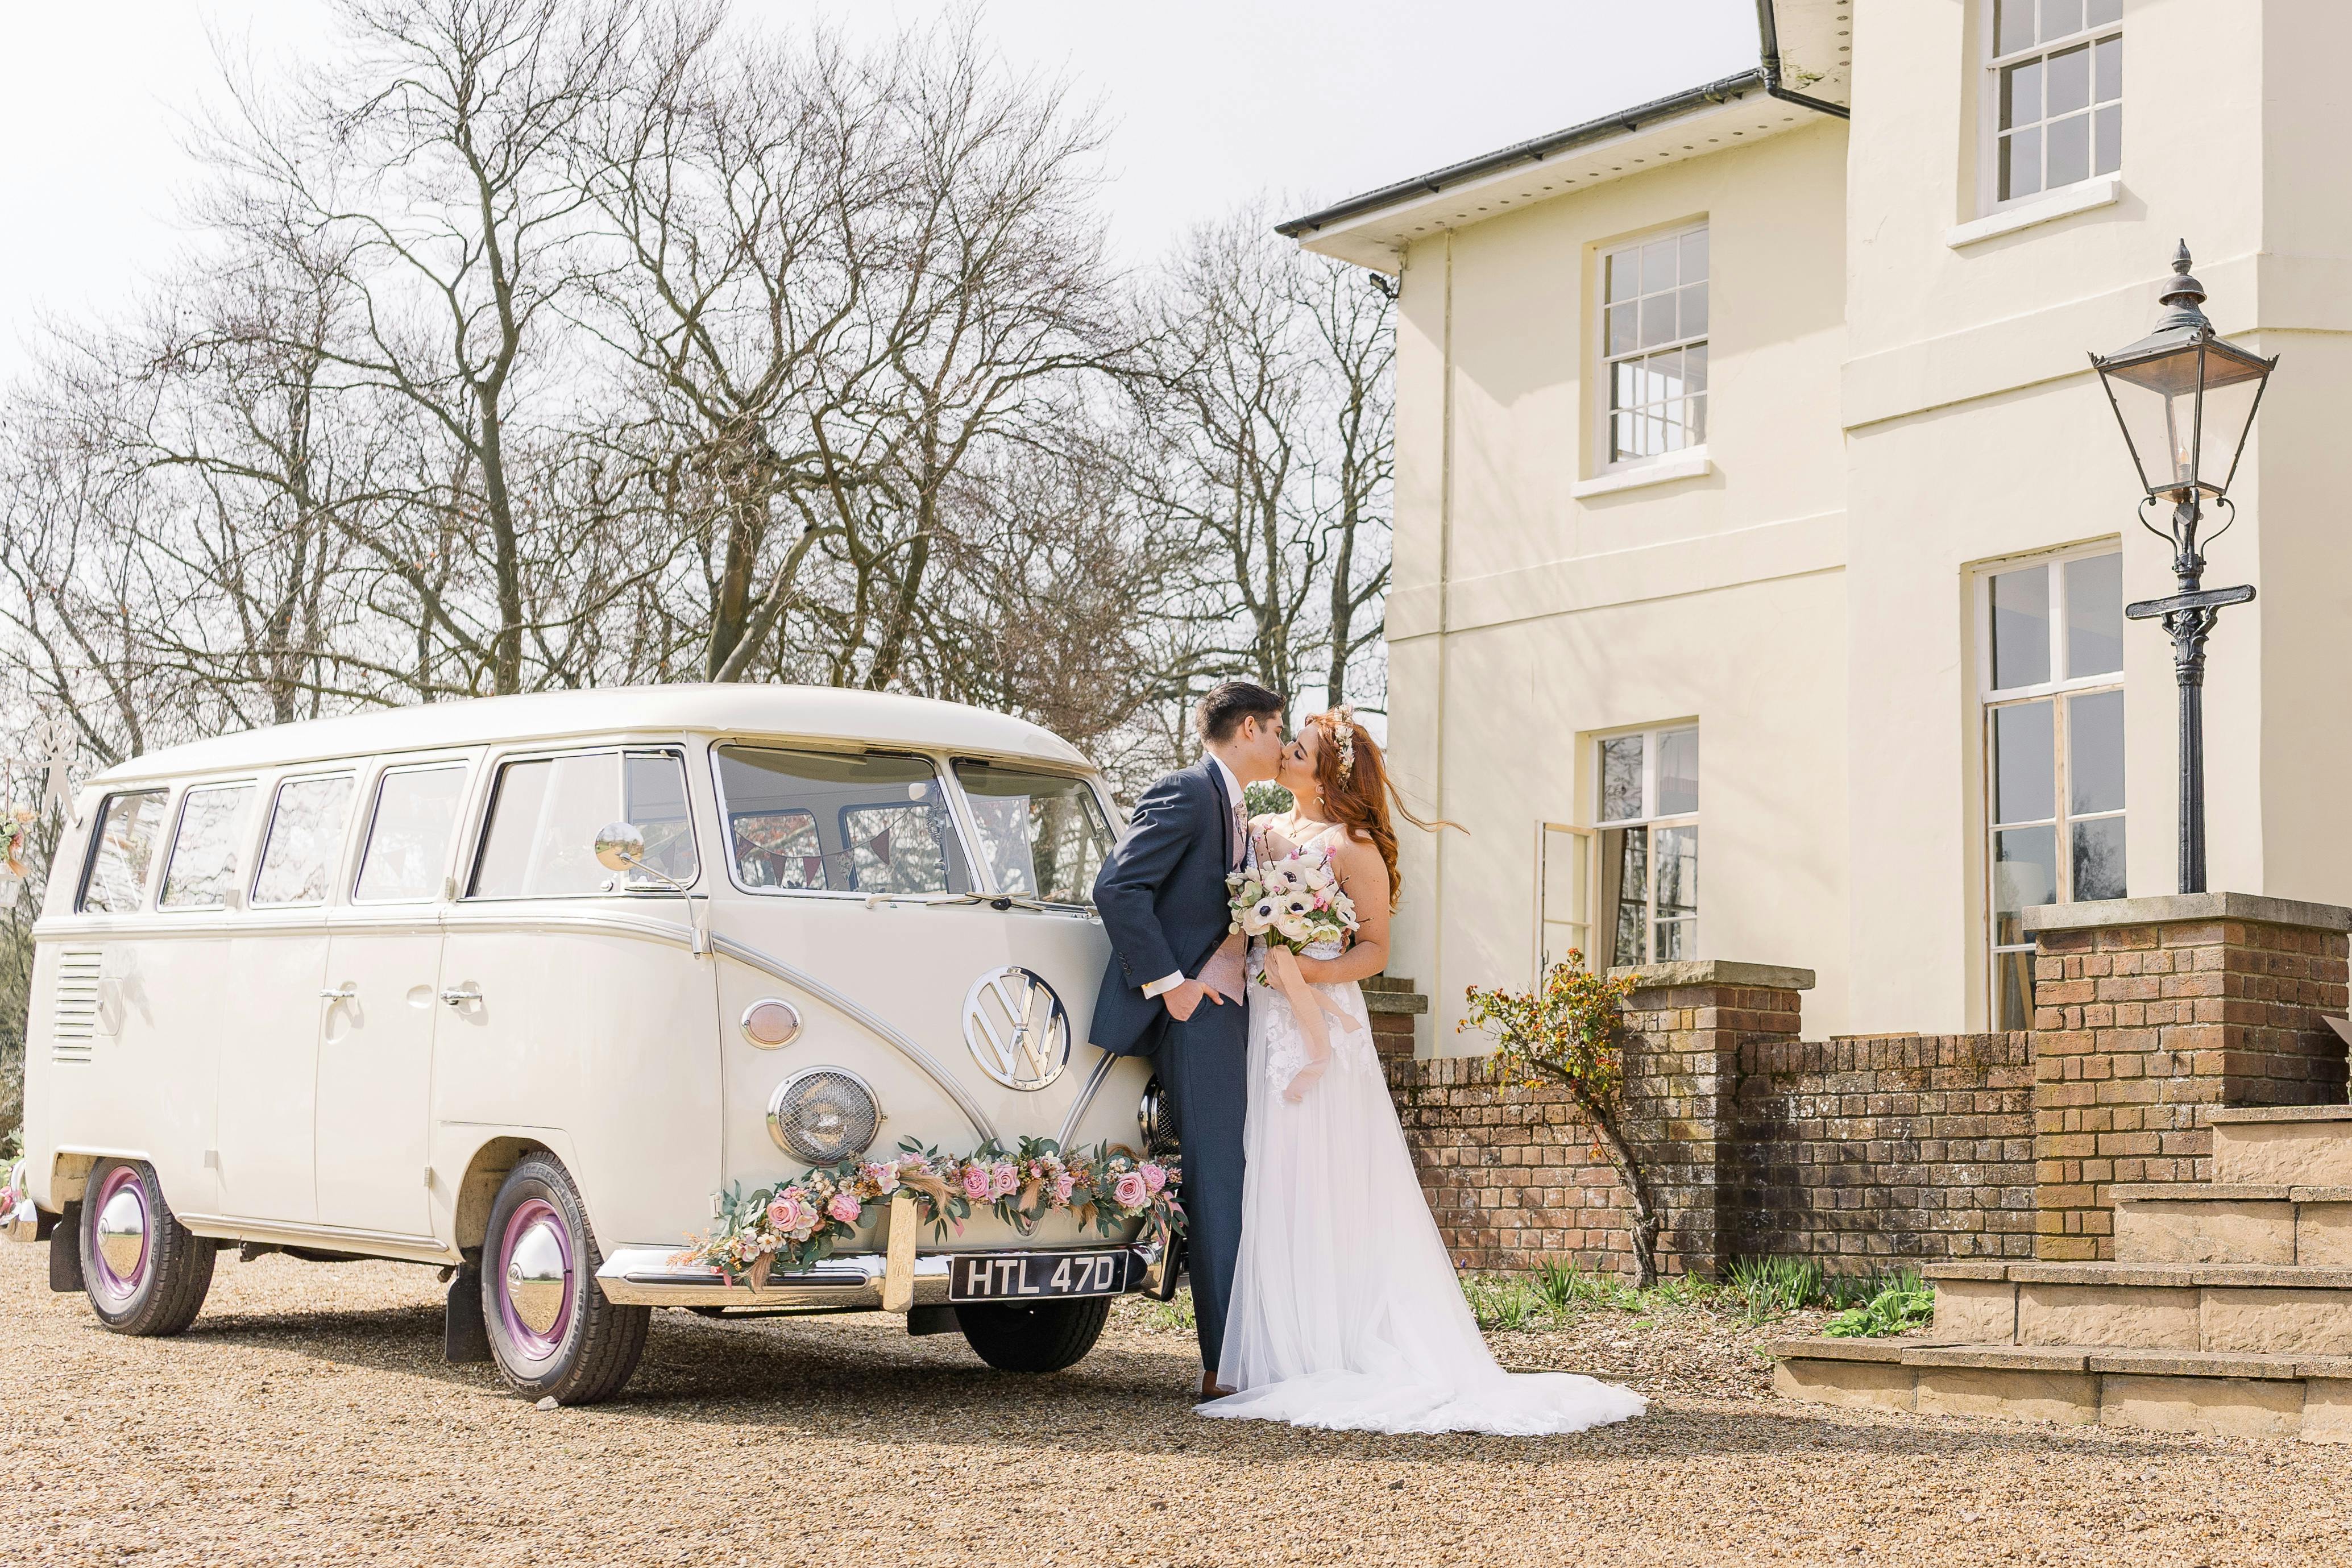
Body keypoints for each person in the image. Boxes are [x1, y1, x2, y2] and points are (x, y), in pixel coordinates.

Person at [1198, 708, 1647, 1436]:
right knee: (1274, 1169)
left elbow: (1373, 948)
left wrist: (1308, 967)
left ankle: (1342, 1342)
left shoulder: (1357, 846)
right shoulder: (1264, 829)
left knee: (1329, 1173)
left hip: (1323, 1026)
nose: (1285, 753)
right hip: (1269, 1021)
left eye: (1300, 749)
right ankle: (1284, 1344)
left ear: (1330, 770)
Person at [1088, 680, 1285, 1400]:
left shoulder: (1235, 804)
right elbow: (1117, 887)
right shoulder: (1187, 790)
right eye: (1276, 730)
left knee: (1240, 1167)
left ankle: (1245, 1350)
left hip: (1233, 1006)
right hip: (1194, 1010)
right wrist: (1172, 983)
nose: (1282, 742)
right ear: (1251, 729)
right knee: (1219, 1174)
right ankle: (1223, 1368)